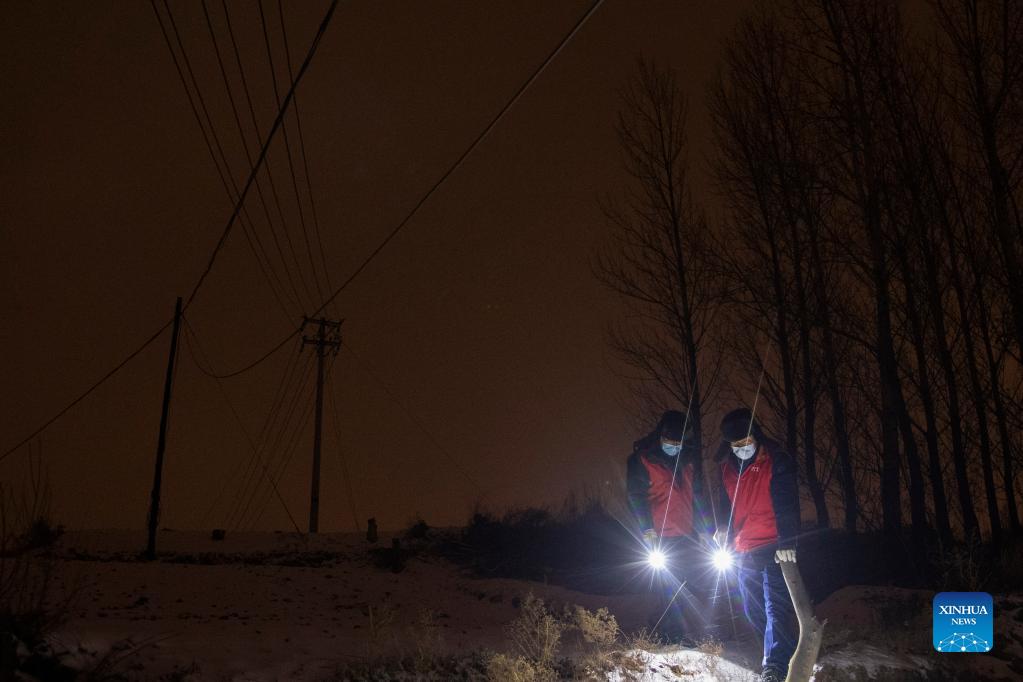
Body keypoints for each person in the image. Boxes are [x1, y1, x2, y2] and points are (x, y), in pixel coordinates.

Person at [715, 407, 799, 682]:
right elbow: (726, 504)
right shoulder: (726, 469)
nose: (742, 448)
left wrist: (788, 540)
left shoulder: (776, 459)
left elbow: (787, 503)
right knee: (752, 608)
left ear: (756, 436)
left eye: (746, 441)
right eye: (736, 444)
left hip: (775, 545)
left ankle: (776, 665)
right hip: (743, 548)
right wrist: (723, 529)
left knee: (776, 606)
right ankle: (779, 652)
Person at [626, 409, 712, 644]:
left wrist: (704, 529)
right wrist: (646, 528)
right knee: (667, 586)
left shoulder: (689, 461)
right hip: (659, 535)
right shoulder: (642, 459)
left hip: (687, 534)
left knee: (689, 584)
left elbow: (697, 497)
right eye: (669, 442)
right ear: (660, 436)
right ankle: (670, 635)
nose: (674, 447)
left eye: (678, 443)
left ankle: (681, 631)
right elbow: (635, 496)